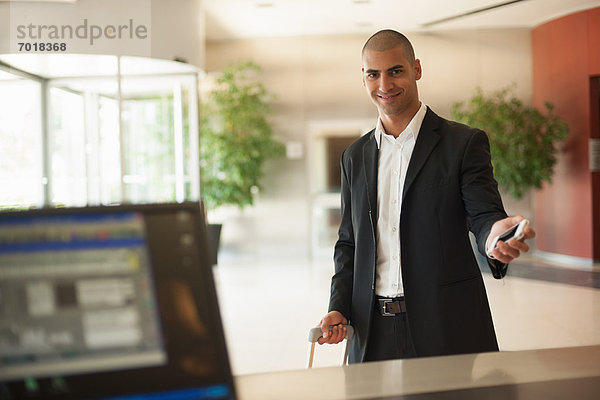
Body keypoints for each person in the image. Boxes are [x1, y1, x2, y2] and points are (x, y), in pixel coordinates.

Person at [317, 30, 536, 363]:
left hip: (447, 325)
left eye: (396, 71)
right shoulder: (354, 156)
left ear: (416, 69)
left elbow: (484, 214)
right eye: (373, 74)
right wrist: (338, 306)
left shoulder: (462, 143)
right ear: (363, 78)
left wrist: (495, 236)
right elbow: (348, 242)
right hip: (371, 331)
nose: (385, 85)